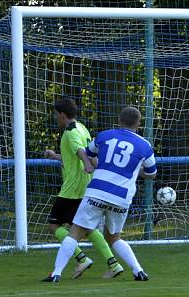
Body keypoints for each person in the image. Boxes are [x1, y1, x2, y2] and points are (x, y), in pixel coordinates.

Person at [43, 106, 156, 282]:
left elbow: (88, 155)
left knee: (74, 232)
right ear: (139, 124)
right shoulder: (145, 146)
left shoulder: (104, 136)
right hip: (121, 197)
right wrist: (137, 171)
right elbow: (151, 173)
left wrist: (100, 164)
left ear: (119, 120)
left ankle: (56, 273)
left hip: (97, 191)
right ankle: (138, 271)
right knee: (113, 237)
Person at [43, 97, 125, 279]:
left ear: (63, 115)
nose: (56, 118)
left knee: (54, 225)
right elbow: (72, 156)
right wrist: (54, 156)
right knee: (85, 228)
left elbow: (81, 151)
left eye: (57, 115)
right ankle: (113, 264)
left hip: (72, 189)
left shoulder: (70, 132)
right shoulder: (81, 128)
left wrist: (88, 163)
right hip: (85, 185)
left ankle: (81, 259)